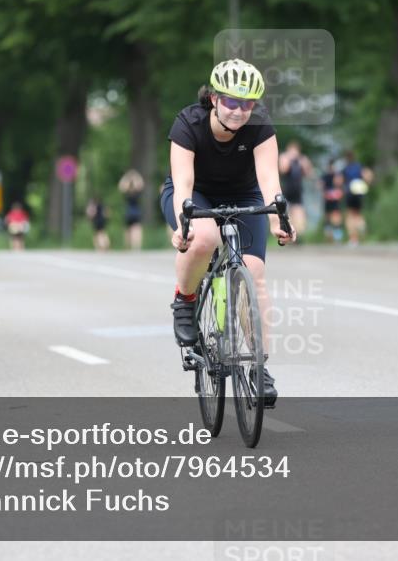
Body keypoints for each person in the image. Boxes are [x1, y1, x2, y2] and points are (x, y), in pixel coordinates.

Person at [160, 59, 295, 407]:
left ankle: (259, 366)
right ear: (215, 99)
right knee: (203, 239)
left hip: (243, 195)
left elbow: (268, 179)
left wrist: (280, 218)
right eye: (232, 102)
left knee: (256, 273)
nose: (239, 111)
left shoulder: (260, 126)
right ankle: (185, 301)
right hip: (194, 195)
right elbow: (184, 182)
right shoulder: (188, 123)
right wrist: (183, 224)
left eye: (247, 103)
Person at [279, 141, 314, 237]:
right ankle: (289, 232)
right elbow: (283, 169)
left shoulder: (301, 159)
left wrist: (304, 163)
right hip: (286, 189)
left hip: (297, 190)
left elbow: (309, 174)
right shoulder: (284, 157)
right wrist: (289, 159)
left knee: (299, 212)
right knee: (288, 213)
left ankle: (298, 234)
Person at [341, 150, 374, 246]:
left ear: (346, 158)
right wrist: (367, 184)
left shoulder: (345, 169)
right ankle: (362, 225)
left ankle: (353, 238)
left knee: (350, 215)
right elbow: (368, 175)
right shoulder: (359, 166)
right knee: (358, 213)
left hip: (350, 193)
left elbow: (338, 181)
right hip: (359, 193)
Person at [118, 169, 145, 251]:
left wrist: (127, 176)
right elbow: (141, 183)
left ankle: (128, 246)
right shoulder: (137, 190)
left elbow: (121, 185)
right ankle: (136, 247)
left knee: (128, 230)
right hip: (136, 211)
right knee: (136, 229)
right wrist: (135, 175)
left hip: (128, 211)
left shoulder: (127, 191)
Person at [320, 159, 345, 243]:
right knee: (328, 218)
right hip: (328, 199)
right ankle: (329, 236)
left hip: (335, 200)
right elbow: (320, 186)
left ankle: (337, 237)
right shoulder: (325, 176)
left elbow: (340, 185)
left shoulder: (337, 175)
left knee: (336, 218)